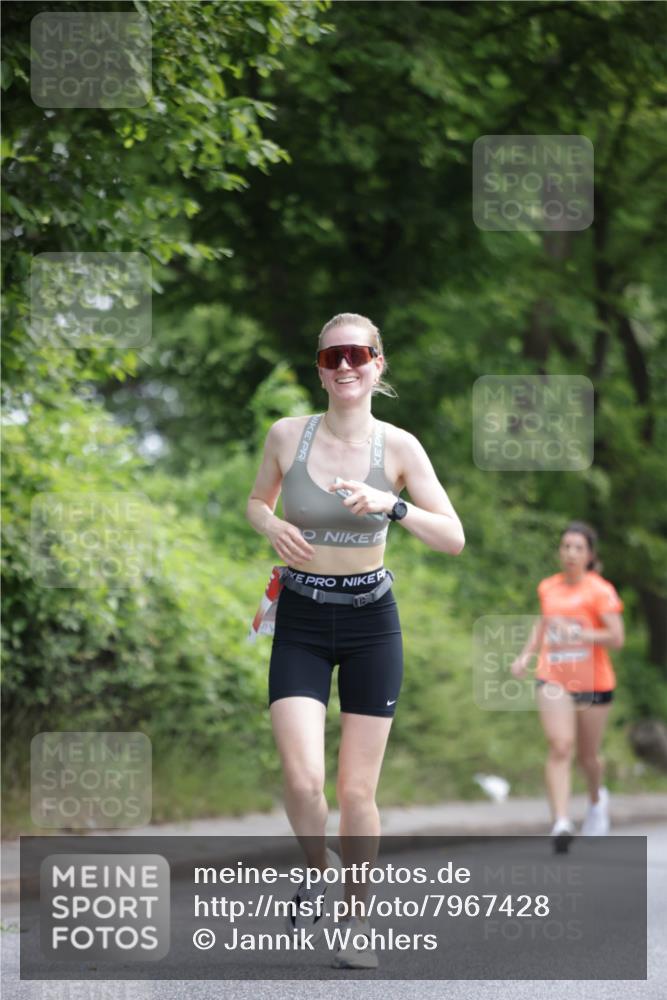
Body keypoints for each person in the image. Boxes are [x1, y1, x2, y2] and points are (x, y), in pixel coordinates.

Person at [246, 312, 464, 968]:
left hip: (372, 623)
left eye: (357, 355)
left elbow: (452, 537)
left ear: (377, 365)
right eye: (332, 356)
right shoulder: (287, 435)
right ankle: (318, 865)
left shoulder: (398, 448)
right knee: (302, 777)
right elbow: (257, 501)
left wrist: (391, 505)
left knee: (354, 791)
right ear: (319, 368)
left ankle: (356, 919)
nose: (345, 366)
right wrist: (269, 527)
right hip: (302, 622)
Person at [511, 522, 624, 853]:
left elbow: (616, 638)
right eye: (566, 547)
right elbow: (544, 623)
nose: (571, 553)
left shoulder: (600, 591)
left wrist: (581, 635)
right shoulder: (549, 587)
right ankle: (561, 821)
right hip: (554, 676)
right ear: (560, 552)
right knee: (560, 746)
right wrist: (525, 656)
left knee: (588, 756)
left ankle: (595, 799)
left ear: (590, 555)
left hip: (594, 681)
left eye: (578, 548)